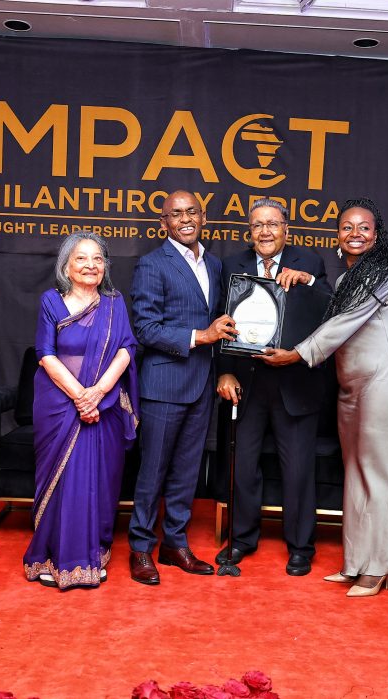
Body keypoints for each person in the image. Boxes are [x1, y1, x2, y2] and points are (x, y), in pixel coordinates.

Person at [260, 198, 388, 597]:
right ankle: (356, 562)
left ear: (377, 235)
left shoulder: (380, 272)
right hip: (355, 383)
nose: (355, 234)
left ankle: (378, 567)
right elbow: (336, 303)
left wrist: (296, 354)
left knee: (378, 473)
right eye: (347, 227)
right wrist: (310, 282)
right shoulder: (353, 276)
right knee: (357, 471)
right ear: (337, 236)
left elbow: (342, 323)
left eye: (364, 227)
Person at [215, 198, 332, 576]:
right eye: (257, 225)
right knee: (243, 466)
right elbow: (218, 321)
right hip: (246, 382)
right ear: (249, 232)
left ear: (286, 228)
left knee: (297, 468)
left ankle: (300, 546)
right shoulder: (233, 265)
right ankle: (241, 539)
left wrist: (308, 281)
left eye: (273, 224)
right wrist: (224, 371)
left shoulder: (310, 262)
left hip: (294, 381)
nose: (265, 231)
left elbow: (331, 309)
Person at [127, 190, 236, 585]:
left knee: (187, 472)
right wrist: (200, 336)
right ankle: (140, 548)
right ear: (164, 223)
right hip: (163, 383)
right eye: (176, 214)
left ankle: (174, 543)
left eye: (192, 211)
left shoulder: (216, 264)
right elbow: (145, 328)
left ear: (203, 216)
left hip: (201, 385)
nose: (185, 218)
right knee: (152, 472)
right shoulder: (151, 265)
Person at [24, 232, 139, 589]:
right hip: (59, 405)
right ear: (66, 266)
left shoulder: (114, 302)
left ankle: (90, 553)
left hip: (104, 405)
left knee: (98, 482)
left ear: (105, 267)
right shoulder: (51, 301)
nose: (90, 265)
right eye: (81, 259)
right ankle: (47, 555)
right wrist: (79, 397)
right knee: (59, 482)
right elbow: (45, 354)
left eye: (98, 259)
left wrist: (98, 393)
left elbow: (126, 348)